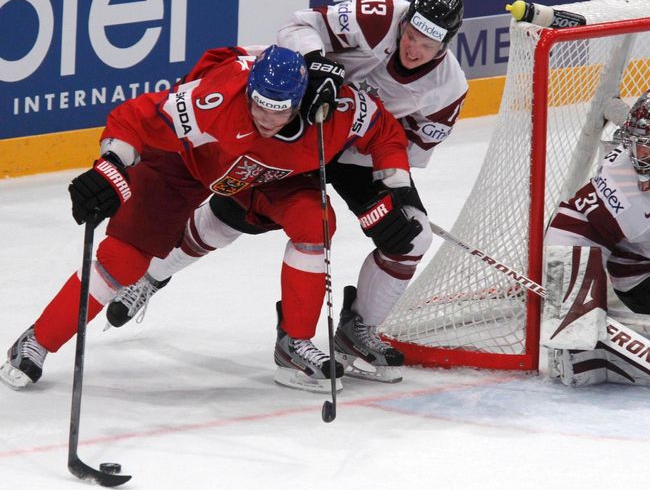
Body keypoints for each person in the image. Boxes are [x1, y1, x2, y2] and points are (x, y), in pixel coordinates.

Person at [0, 44, 415, 393]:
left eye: (280, 112)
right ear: (250, 89)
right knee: (123, 260)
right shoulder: (214, 100)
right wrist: (110, 167)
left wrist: (394, 192)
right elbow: (134, 117)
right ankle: (37, 340)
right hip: (187, 165)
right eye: (259, 107)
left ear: (302, 101)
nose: (267, 119)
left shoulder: (336, 110)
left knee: (316, 221)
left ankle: (294, 345)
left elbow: (386, 135)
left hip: (271, 178)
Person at [106, 0, 467, 384]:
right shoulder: (380, 14)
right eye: (411, 36)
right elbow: (297, 26)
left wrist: (389, 192)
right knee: (231, 217)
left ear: (447, 44)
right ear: (404, 24)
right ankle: (153, 275)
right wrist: (317, 64)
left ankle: (357, 331)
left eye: (427, 44)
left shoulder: (449, 89)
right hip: (290, 118)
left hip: (356, 145)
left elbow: (409, 148)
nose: (413, 49)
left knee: (410, 237)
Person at [543, 88, 650, 387]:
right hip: (624, 265)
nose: (640, 154)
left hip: (640, 247)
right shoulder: (640, 203)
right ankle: (596, 360)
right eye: (636, 144)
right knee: (577, 356)